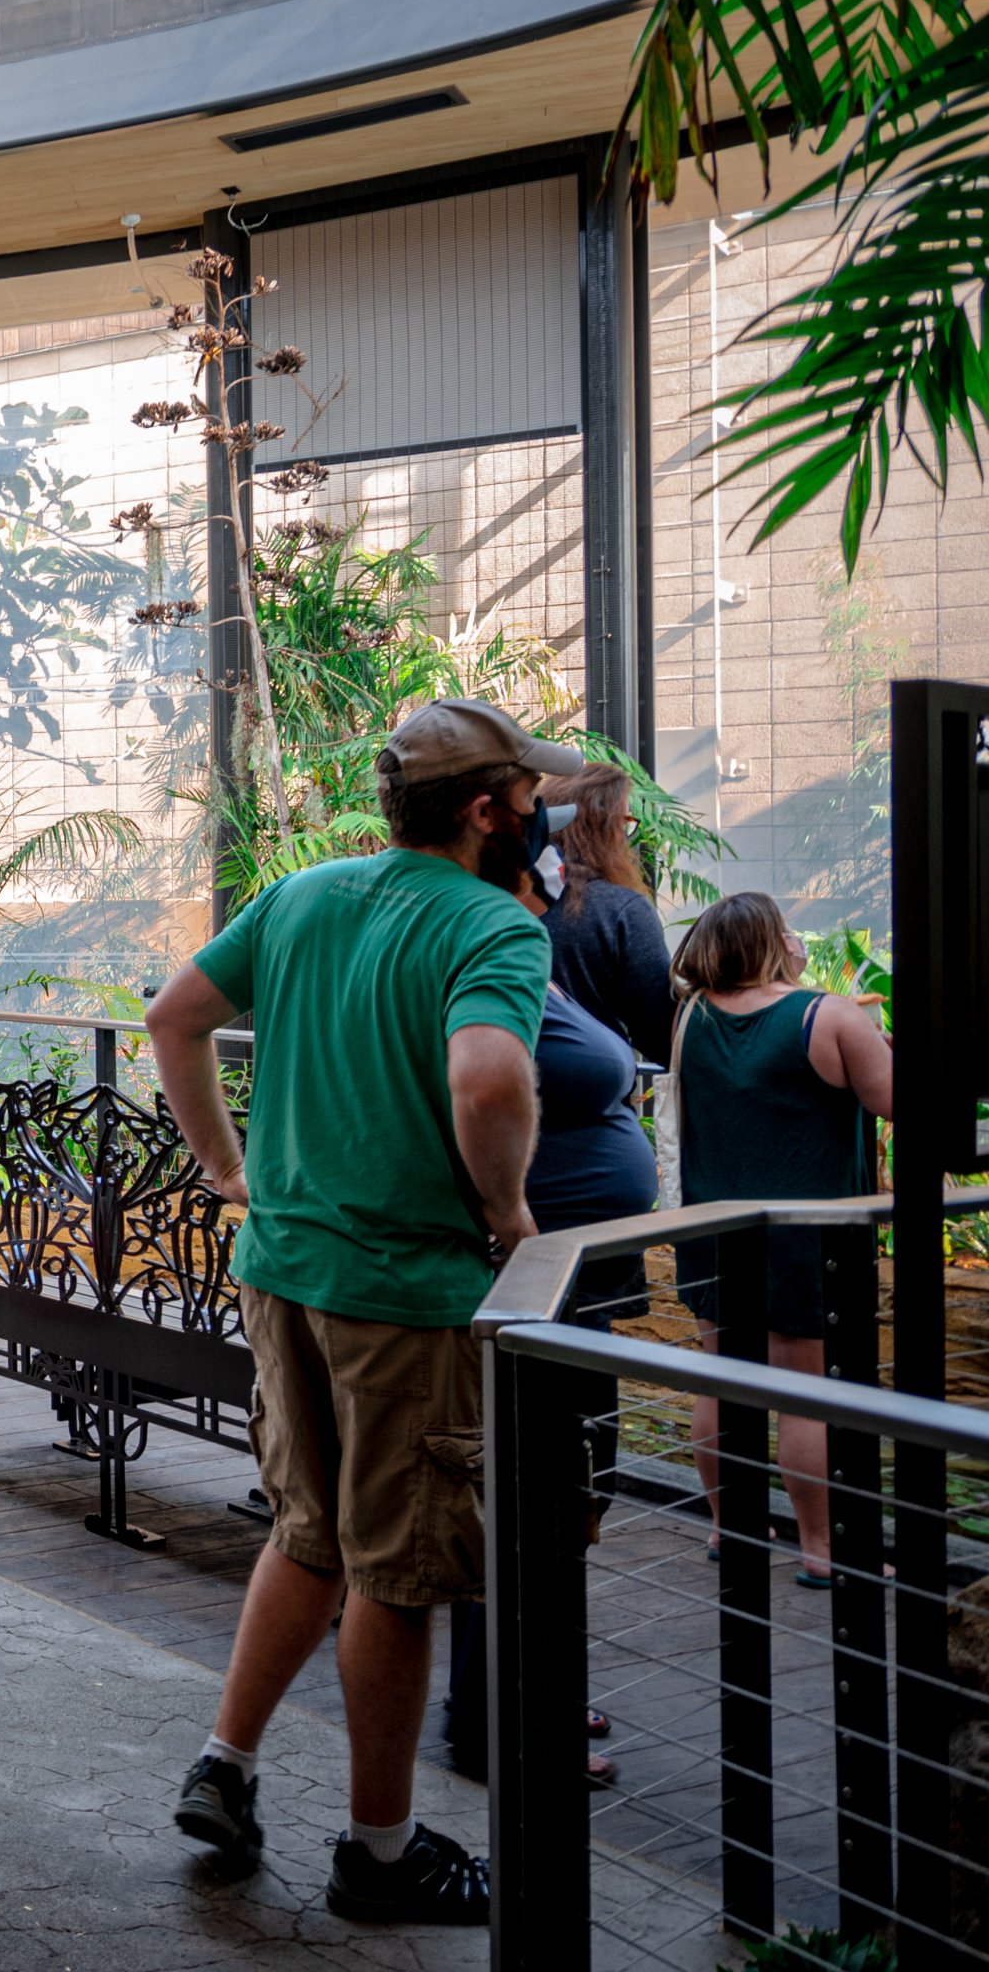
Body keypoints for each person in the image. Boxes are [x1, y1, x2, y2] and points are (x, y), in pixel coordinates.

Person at [150, 697, 573, 1925]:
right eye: (530, 796)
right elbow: (489, 1075)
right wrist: (508, 1214)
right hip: (408, 1293)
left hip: (284, 1268)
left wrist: (232, 1173)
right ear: (488, 810)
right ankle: (381, 1856)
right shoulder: (491, 926)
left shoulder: (304, 894)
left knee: (307, 1531)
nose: (542, 813)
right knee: (398, 1572)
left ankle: (224, 1767)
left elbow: (174, 1018)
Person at [442, 840, 656, 1786]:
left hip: (573, 1279)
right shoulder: (499, 967)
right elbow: (484, 1090)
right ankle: (507, 1720)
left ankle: (535, 1692)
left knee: (565, 1492)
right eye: (549, 858)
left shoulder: (538, 967)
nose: (570, 879)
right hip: (542, 1278)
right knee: (538, 1493)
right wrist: (514, 1219)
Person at [667, 891, 895, 1585]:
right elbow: (891, 1099)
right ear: (770, 940)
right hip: (807, 1239)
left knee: (721, 1383)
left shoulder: (692, 1016)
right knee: (806, 1394)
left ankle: (728, 1527)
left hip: (713, 1229)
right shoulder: (823, 1014)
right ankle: (823, 1550)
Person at [537, 761, 676, 1066]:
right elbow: (659, 1032)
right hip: (592, 1096)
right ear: (603, 827)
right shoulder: (621, 911)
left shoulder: (502, 900)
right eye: (624, 822)